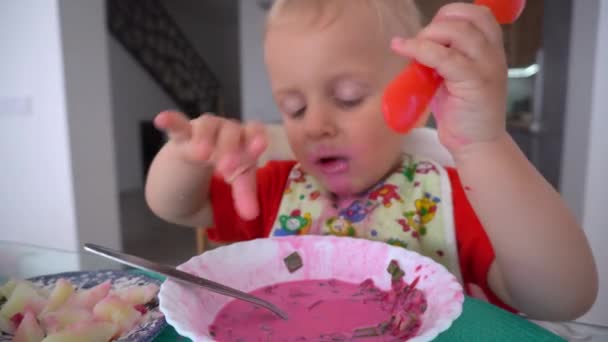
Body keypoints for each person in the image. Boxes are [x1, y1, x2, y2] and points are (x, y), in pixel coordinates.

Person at [145, 0, 597, 320]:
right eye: (294, 108)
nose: (316, 124)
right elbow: (174, 206)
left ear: (417, 104)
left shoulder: (452, 199)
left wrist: (483, 144)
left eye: (348, 98)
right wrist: (190, 156)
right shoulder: (275, 189)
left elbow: (563, 298)